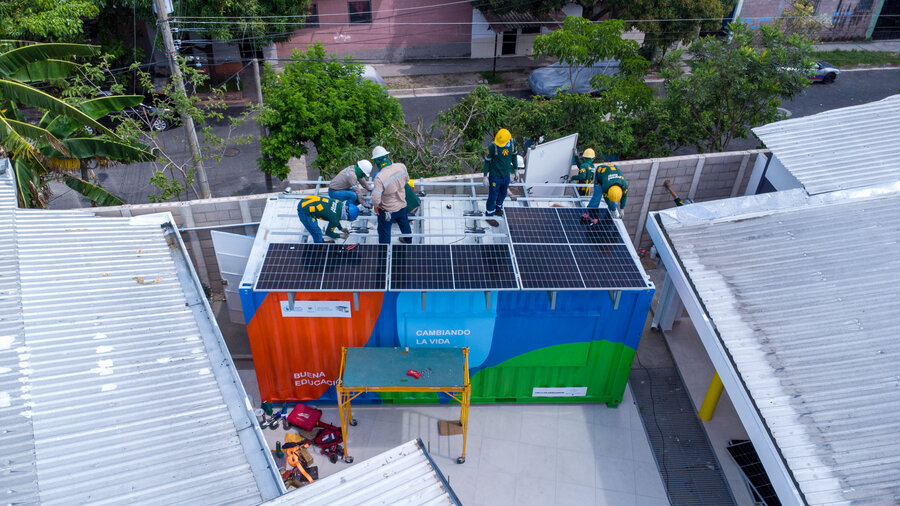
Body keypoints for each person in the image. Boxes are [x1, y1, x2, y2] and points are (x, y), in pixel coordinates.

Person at [370, 145, 412, 244]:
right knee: (404, 224)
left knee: (384, 231)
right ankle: (408, 240)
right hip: (401, 205)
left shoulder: (379, 177)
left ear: (376, 161)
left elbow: (376, 198)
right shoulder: (401, 166)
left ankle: (385, 250)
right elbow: (407, 180)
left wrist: (377, 206)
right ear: (387, 156)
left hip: (388, 209)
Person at [482, 128, 517, 223]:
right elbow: (487, 161)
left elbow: (514, 156)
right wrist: (485, 176)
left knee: (503, 194)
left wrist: (516, 170)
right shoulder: (493, 146)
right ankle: (489, 215)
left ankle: (498, 209)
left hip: (506, 176)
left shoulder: (513, 143)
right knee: (493, 196)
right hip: (495, 176)